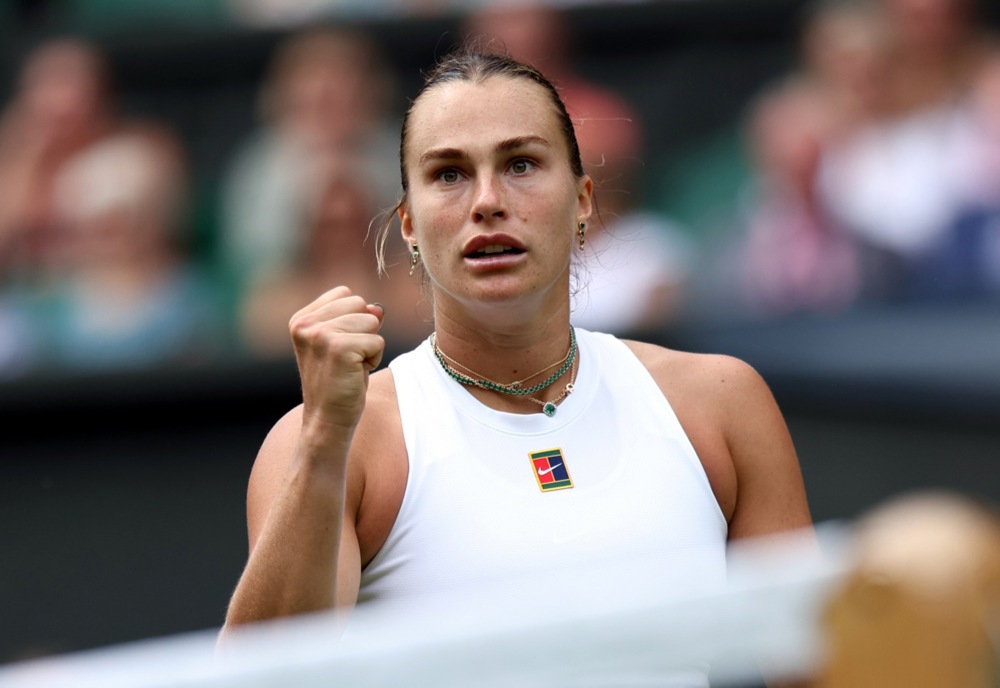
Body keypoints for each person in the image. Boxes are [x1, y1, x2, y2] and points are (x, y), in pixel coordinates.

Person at [220, 48, 813, 685]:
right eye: (448, 174)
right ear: (409, 224)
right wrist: (323, 442)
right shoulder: (336, 440)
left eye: (521, 164)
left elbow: (814, 666)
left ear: (584, 200)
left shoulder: (721, 402)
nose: (488, 200)